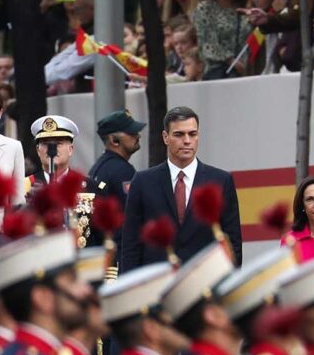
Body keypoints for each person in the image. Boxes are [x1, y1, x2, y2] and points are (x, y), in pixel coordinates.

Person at [119, 106, 243, 272]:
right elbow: (130, 245)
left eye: (192, 134)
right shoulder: (143, 182)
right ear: (165, 137)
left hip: (206, 286)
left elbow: (232, 243)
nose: (187, 140)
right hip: (158, 286)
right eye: (179, 134)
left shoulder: (221, 181)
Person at [85, 109, 146, 246]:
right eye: (132, 132)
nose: (138, 136)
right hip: (119, 252)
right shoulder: (122, 171)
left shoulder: (100, 167)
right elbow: (132, 215)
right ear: (114, 140)